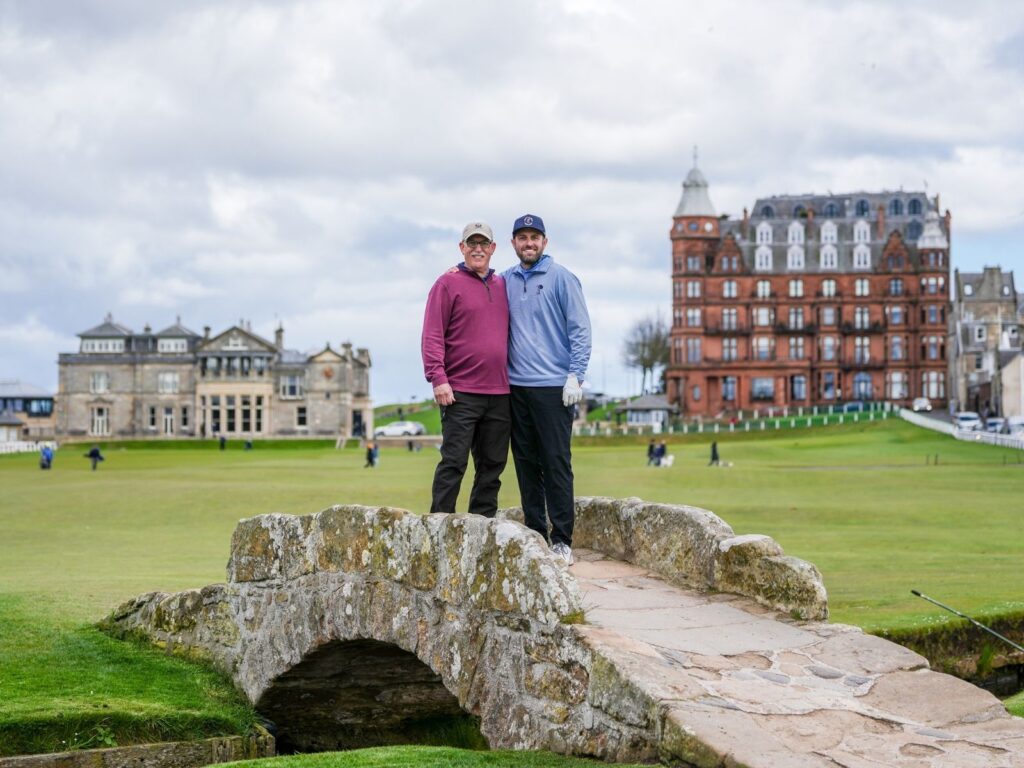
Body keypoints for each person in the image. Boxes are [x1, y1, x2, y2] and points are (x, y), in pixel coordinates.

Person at [504, 214, 591, 565]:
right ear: (513, 243)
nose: (529, 243)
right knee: (525, 463)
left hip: (554, 387)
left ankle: (562, 540)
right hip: (515, 388)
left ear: (545, 241)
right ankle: (536, 534)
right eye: (522, 237)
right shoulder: (505, 280)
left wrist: (576, 376)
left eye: (534, 237)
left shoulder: (562, 278)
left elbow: (580, 330)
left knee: (555, 462)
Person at [421, 221, 511, 516]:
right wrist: (437, 377)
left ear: (493, 249)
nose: (478, 249)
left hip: (499, 392)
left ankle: (481, 530)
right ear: (462, 248)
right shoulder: (446, 283)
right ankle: (438, 530)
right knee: (454, 463)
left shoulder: (502, 284)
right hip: (459, 392)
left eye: (483, 244)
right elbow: (432, 333)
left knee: (491, 468)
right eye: (471, 244)